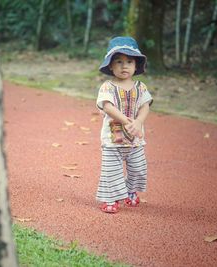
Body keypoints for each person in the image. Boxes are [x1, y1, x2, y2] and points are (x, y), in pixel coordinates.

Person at [96, 36, 153, 213]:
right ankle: (110, 199)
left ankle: (130, 191)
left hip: (135, 140)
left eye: (129, 61)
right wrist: (124, 120)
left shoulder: (140, 87)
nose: (124, 65)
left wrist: (138, 122)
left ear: (136, 66)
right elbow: (107, 106)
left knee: (138, 168)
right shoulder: (107, 87)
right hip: (112, 140)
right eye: (119, 61)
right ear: (111, 66)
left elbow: (145, 107)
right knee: (111, 170)